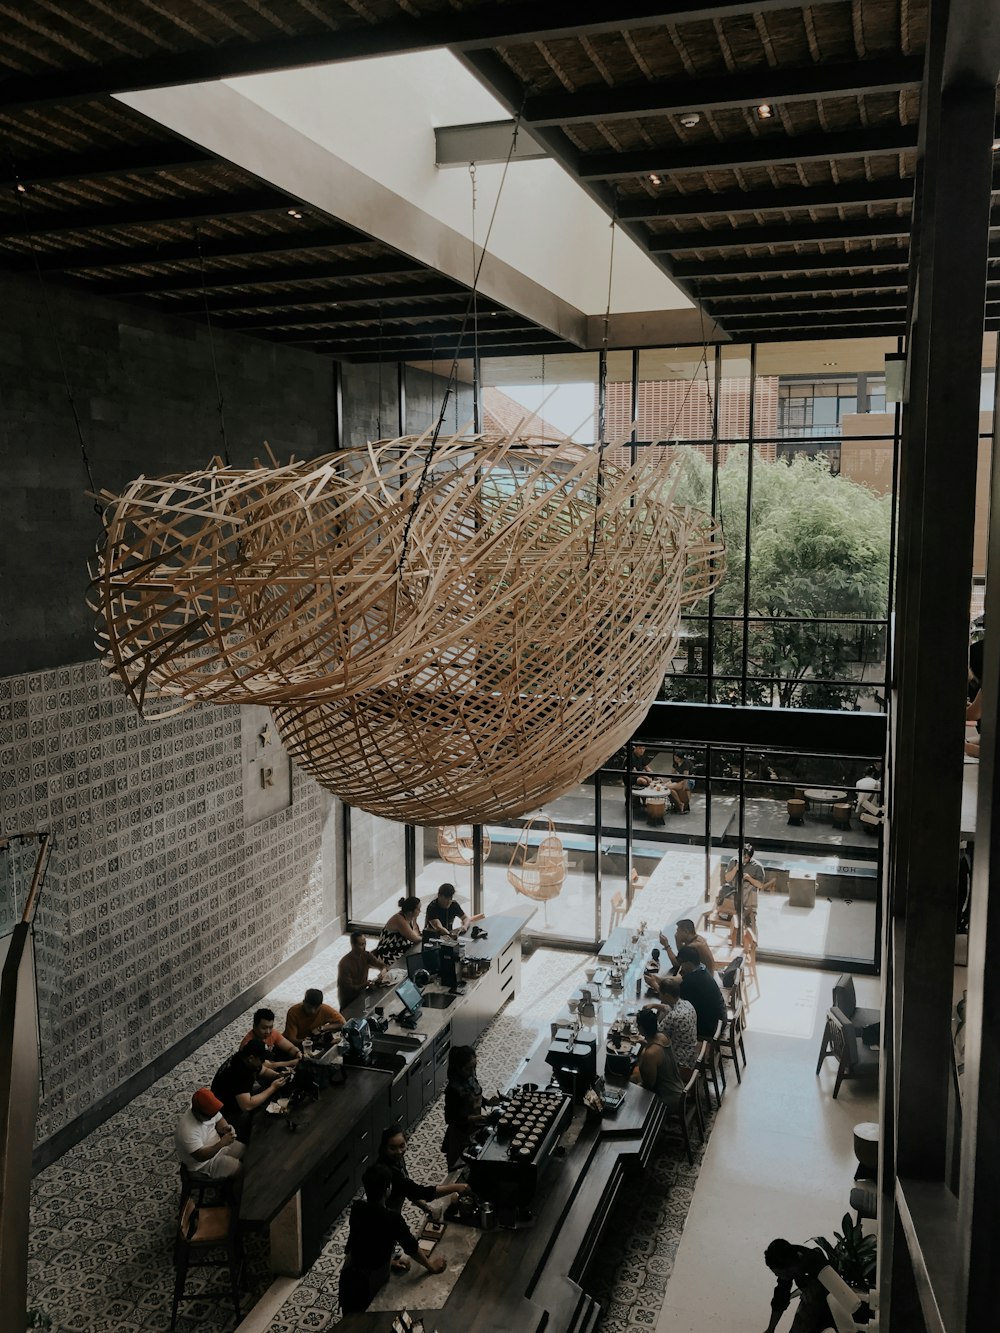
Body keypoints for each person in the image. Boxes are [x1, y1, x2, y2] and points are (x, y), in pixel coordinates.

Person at [339, 1164, 446, 1314]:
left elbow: (363, 1244)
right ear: (388, 1189)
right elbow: (411, 1248)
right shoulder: (392, 1218)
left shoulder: (357, 1208)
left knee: (349, 1317)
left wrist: (391, 1262)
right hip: (369, 1280)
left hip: (349, 1274)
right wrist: (431, 1266)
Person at [378, 1125, 471, 1269]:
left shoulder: (396, 1161)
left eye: (402, 1146)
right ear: (384, 1148)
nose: (399, 1151)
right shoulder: (389, 1173)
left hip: (389, 1217)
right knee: (384, 1240)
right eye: (392, 1148)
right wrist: (457, 1187)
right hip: (386, 1219)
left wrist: (425, 1208)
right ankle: (386, 1263)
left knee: (386, 1243)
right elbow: (420, 1192)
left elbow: (407, 1190)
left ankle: (387, 1260)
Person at [210, 1039, 291, 1140]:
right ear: (251, 1058)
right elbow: (246, 1106)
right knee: (262, 1122)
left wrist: (277, 1076)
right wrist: (273, 1088)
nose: (263, 1062)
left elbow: (263, 1071)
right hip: (226, 1115)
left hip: (238, 1099)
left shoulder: (245, 1058)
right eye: (261, 1059)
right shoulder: (239, 1073)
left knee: (267, 1094)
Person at [762, 1237, 835, 1333]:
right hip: (810, 1303)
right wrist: (771, 1329)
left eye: (779, 1273)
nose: (778, 1276)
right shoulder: (787, 1258)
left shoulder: (817, 1265)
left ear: (789, 1268)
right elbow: (780, 1299)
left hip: (830, 1305)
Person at [173, 1087, 245, 1183]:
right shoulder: (187, 1130)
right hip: (204, 1164)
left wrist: (225, 1128)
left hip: (218, 1144)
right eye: (210, 1116)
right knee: (240, 1170)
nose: (213, 1117)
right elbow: (201, 1156)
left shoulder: (208, 1109)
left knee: (247, 1152)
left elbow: (219, 1119)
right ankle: (234, 1195)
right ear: (198, 1113)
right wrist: (222, 1144)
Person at [442, 1045, 496, 1168]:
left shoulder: (470, 1078)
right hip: (460, 1134)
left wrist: (488, 1102)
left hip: (475, 1128)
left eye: (474, 1067)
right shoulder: (453, 1089)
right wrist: (473, 1118)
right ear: (458, 1067)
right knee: (460, 1166)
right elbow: (450, 1118)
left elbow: (475, 1096)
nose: (472, 1072)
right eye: (468, 1069)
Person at [631, 1007, 685, 1115]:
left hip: (667, 1098)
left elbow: (649, 1085)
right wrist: (646, 1044)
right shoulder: (663, 1037)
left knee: (630, 1090)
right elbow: (658, 1052)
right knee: (634, 1077)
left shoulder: (650, 1054)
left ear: (641, 1029)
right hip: (678, 1089)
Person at [668, 945, 727, 1039]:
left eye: (681, 963)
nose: (681, 967)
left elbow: (672, 999)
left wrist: (656, 985)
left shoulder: (692, 981)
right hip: (720, 1017)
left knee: (671, 1024)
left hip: (709, 1026)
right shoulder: (702, 969)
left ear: (688, 963)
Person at [240, 1007, 301, 1083]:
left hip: (272, 1064)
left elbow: (290, 1047)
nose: (268, 1031)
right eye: (264, 1028)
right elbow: (265, 1067)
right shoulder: (248, 1045)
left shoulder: (272, 1033)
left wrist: (298, 1053)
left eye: (270, 1027)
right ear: (254, 1026)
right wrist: (294, 1062)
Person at [647, 988, 699, 1075]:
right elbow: (668, 1008)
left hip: (680, 1060)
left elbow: (656, 1034)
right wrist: (653, 1005)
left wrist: (648, 1017)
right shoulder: (687, 1004)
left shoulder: (674, 1016)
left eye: (660, 994)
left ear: (666, 995)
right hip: (691, 1053)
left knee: (649, 1053)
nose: (659, 996)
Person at [337, 931, 388, 1009]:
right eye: (361, 944)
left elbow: (381, 965)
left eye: (365, 943)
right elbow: (348, 988)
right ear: (353, 945)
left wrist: (383, 972)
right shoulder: (344, 964)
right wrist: (365, 984)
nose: (364, 947)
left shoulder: (366, 955)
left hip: (362, 994)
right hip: (349, 1000)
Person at [375, 896, 423, 968]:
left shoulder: (411, 918)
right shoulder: (399, 919)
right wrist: (425, 937)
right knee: (411, 964)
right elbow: (414, 938)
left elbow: (416, 933)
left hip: (400, 949)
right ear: (410, 912)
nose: (420, 911)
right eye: (418, 909)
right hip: (389, 952)